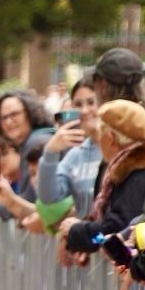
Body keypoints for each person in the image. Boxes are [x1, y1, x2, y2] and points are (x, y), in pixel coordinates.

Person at [57, 100, 145, 254]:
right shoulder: (125, 171)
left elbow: (116, 231)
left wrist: (76, 230)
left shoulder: (137, 176)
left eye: (100, 134)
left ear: (110, 138)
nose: (98, 141)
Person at [36, 78, 102, 222]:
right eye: (78, 104)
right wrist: (50, 152)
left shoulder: (119, 149)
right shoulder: (76, 154)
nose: (85, 110)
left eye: (91, 102)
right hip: (80, 235)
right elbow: (48, 197)